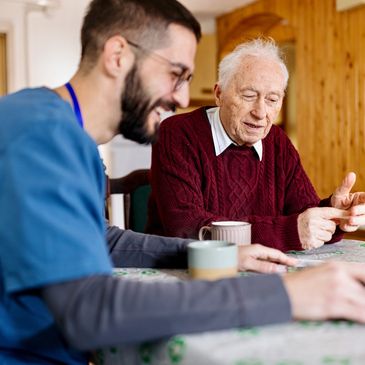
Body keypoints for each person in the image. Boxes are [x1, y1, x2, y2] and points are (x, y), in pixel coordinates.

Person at [1, 1, 365, 364]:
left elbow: (103, 238)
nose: (182, 98)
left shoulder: (67, 135)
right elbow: (90, 311)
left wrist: (218, 252)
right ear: (118, 56)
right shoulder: (40, 135)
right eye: (175, 74)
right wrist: (282, 295)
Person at [146, 39, 365, 252]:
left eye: (272, 100)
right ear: (219, 94)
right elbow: (186, 227)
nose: (260, 113)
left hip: (260, 270)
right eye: (249, 95)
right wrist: (288, 231)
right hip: (188, 272)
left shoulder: (277, 141)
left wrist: (333, 215)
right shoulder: (176, 133)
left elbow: (302, 214)